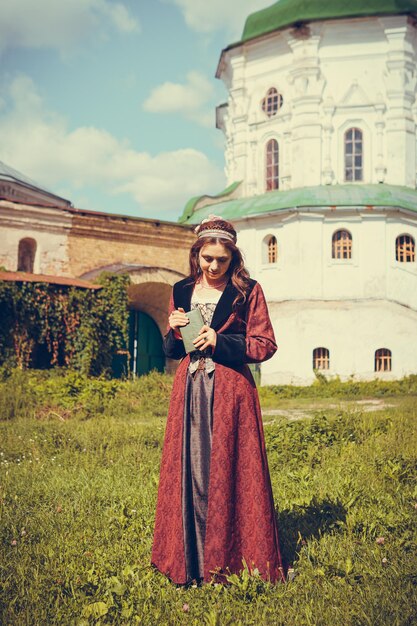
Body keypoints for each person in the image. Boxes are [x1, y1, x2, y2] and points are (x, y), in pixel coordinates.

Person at [151, 215, 284, 586]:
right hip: (189, 389)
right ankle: (187, 560)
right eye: (206, 258)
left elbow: (264, 344)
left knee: (227, 466)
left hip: (230, 392)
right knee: (189, 467)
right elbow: (170, 349)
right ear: (197, 254)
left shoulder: (247, 292)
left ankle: (230, 558)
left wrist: (219, 341)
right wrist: (175, 331)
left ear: (233, 258)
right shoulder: (180, 289)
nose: (212, 266)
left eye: (220, 260)